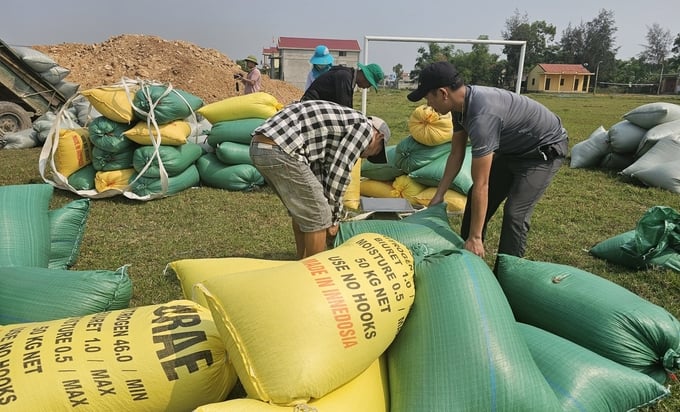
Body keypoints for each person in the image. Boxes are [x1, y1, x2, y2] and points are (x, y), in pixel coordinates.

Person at [407, 61, 568, 263]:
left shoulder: (482, 116)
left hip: (543, 151)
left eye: (428, 98)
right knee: (475, 199)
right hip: (513, 149)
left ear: (443, 93)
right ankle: (467, 258)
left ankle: (508, 274)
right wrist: (439, 195)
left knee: (514, 214)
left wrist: (476, 237)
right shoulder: (459, 107)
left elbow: (482, 184)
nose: (428, 105)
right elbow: (456, 154)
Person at [249, 100, 391, 259]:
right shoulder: (364, 129)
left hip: (261, 147)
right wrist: (334, 218)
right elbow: (340, 171)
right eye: (376, 152)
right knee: (320, 216)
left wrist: (329, 207)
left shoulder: (341, 125)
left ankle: (301, 262)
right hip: (282, 148)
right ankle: (311, 274)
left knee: (305, 211)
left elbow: (318, 175)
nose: (367, 156)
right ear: (379, 136)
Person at [301, 63, 384, 108]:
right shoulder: (345, 77)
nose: (367, 87)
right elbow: (345, 108)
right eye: (369, 84)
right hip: (310, 106)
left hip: (318, 106)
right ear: (365, 76)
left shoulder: (349, 77)